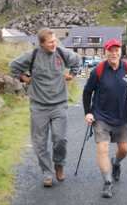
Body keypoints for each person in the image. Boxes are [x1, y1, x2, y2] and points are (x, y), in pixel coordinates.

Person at [10, 28, 81, 187]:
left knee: (60, 140)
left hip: (59, 105)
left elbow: (77, 60)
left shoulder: (62, 53)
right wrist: (24, 78)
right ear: (41, 44)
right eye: (50, 42)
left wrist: (72, 74)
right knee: (40, 143)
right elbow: (13, 66)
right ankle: (47, 173)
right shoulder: (33, 56)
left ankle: (59, 165)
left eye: (55, 40)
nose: (54, 44)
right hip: (38, 106)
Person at [83, 39, 127, 198]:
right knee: (103, 149)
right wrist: (88, 112)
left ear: (121, 52)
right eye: (110, 50)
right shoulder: (99, 70)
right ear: (105, 52)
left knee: (124, 149)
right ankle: (108, 182)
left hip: (121, 117)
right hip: (101, 117)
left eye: (116, 50)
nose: (114, 53)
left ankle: (116, 163)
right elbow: (87, 92)